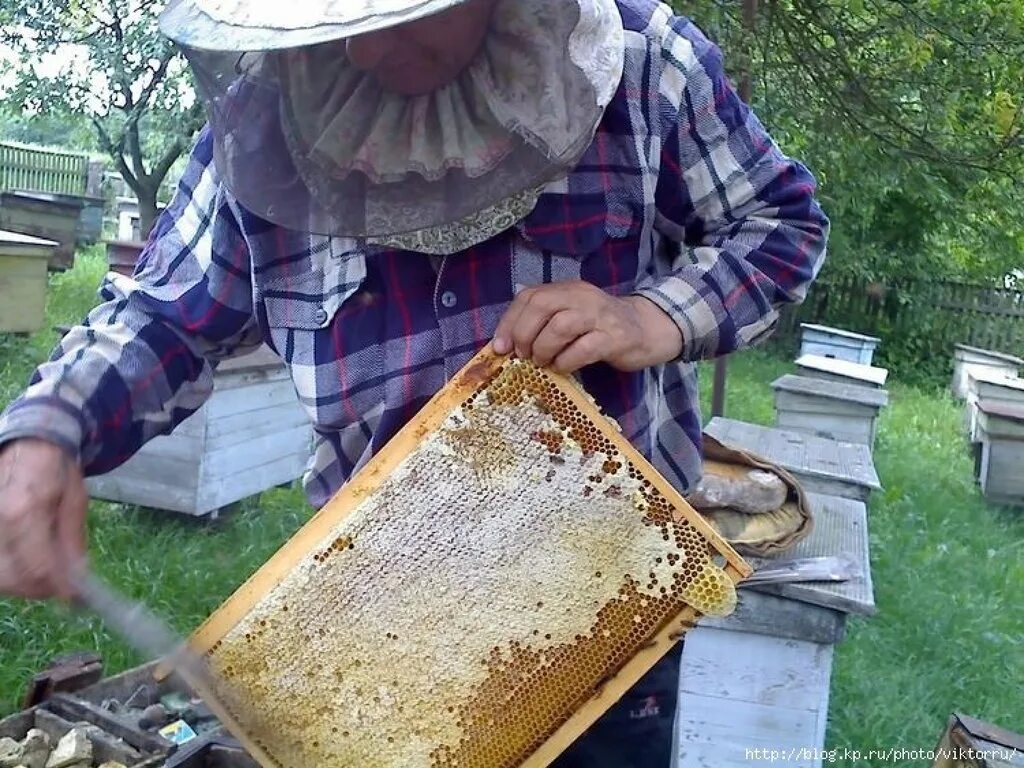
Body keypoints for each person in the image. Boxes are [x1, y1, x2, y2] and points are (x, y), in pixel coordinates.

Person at [0, 0, 829, 764]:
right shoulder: (264, 117)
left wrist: (652, 317)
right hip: (369, 622)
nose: (361, 46)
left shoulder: (644, 65)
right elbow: (164, 315)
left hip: (602, 615)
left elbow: (783, 224)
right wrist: (48, 430)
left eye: (397, 8)